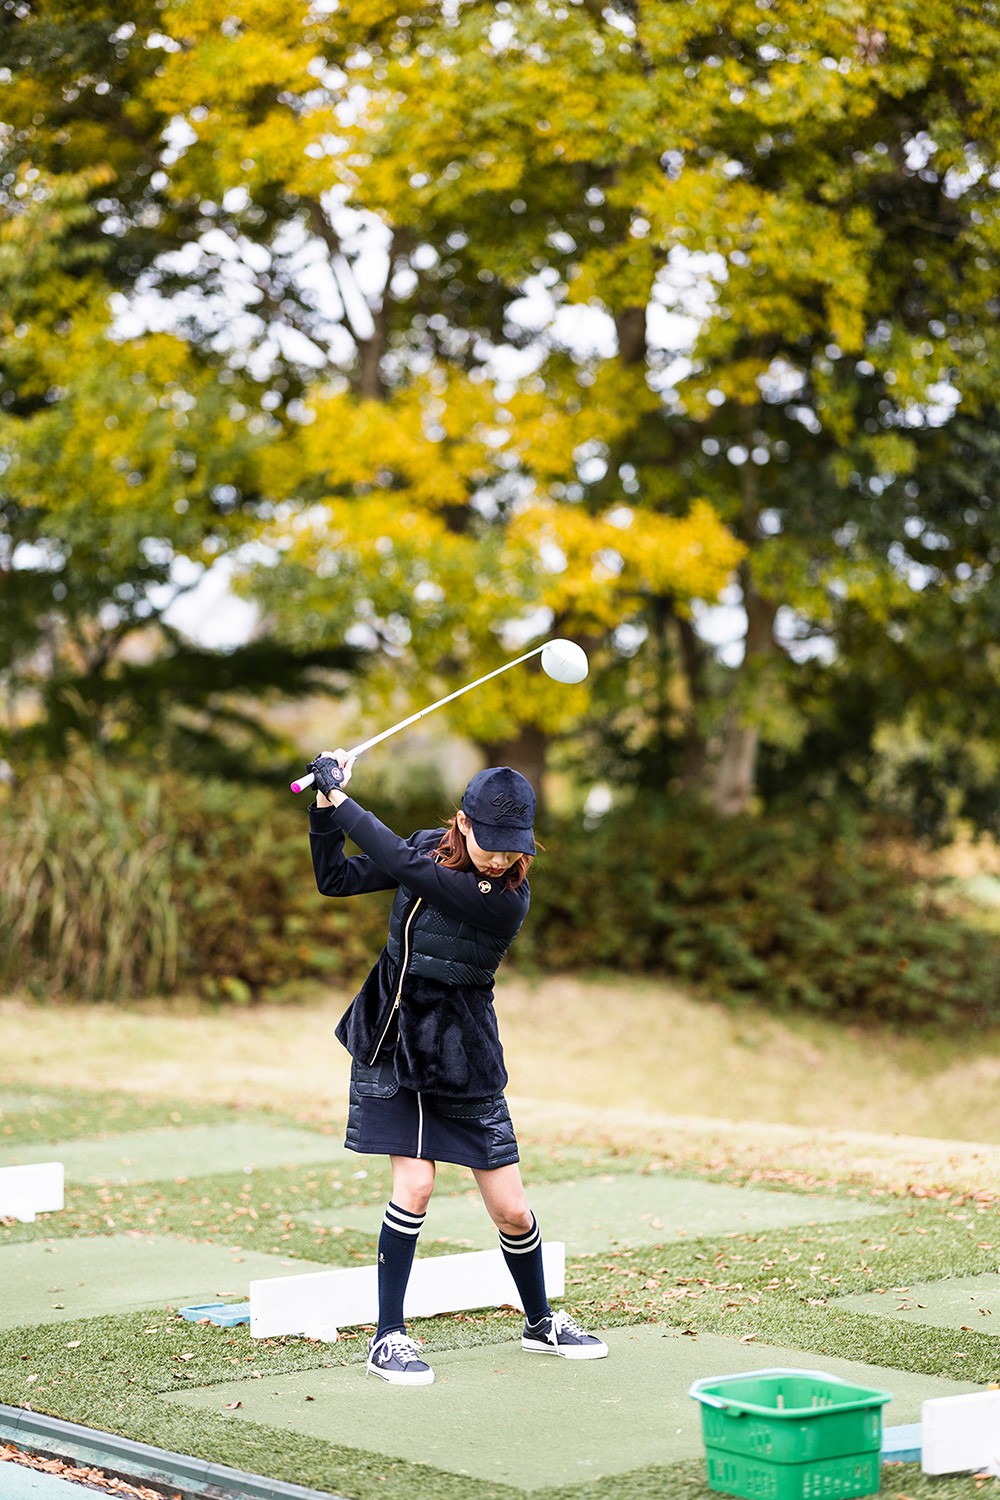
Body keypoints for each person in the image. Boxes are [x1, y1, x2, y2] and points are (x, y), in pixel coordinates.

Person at [307, 750, 608, 1385]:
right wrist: (322, 810)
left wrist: (343, 800)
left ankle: (539, 1321)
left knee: (512, 1209)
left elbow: (403, 865)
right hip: (393, 1032)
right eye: (490, 843)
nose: (500, 858)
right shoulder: (426, 849)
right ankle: (388, 1337)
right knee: (413, 1187)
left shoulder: (506, 899)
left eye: (513, 847)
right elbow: (335, 879)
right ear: (464, 823)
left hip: (462, 1050)